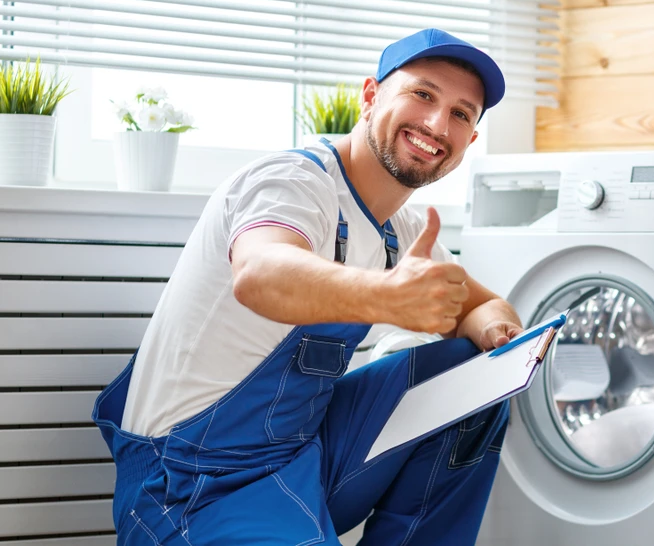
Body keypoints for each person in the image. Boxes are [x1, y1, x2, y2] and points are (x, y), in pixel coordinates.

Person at [92, 28, 524, 545]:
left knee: (476, 381)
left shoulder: (403, 229)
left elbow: (480, 306)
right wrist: (387, 296)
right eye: (423, 94)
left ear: (469, 140)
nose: (436, 123)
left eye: (460, 113)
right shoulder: (294, 183)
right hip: (190, 482)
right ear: (370, 96)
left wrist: (500, 332)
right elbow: (260, 273)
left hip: (300, 456)